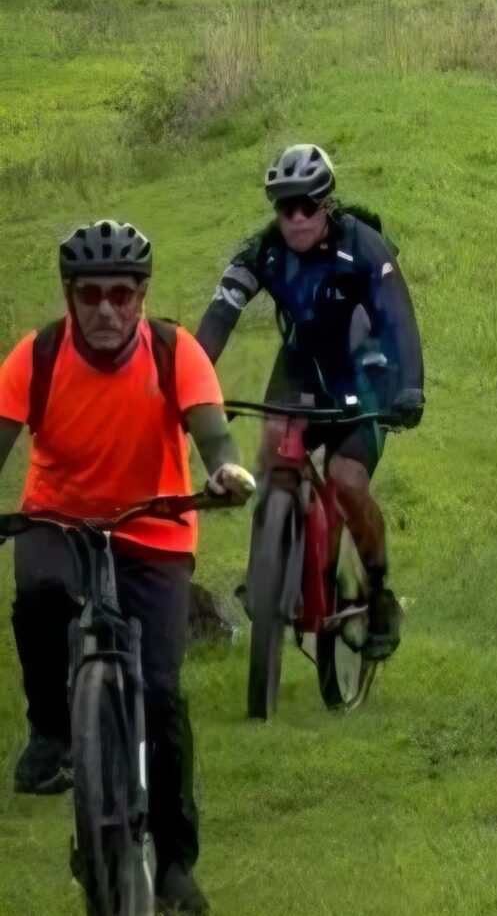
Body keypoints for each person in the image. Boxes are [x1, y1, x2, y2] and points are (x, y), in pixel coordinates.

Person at [4, 221, 255, 914]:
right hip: (57, 518)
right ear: (69, 295)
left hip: (156, 526)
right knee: (39, 596)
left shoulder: (177, 352)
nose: (107, 310)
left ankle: (176, 863)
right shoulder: (39, 356)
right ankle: (52, 731)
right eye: (91, 295)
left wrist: (227, 471)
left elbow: (214, 434)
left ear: (143, 294)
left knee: (163, 693)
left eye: (122, 293)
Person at [197, 144, 425, 664]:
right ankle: (272, 565)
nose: (295, 218)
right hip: (300, 371)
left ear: (327, 203)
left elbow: (399, 320)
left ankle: (378, 587)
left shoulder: (363, 247)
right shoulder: (264, 252)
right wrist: (196, 385)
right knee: (276, 457)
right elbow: (218, 319)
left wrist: (410, 389)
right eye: (284, 207)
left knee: (346, 481)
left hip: (364, 374)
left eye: (306, 206)